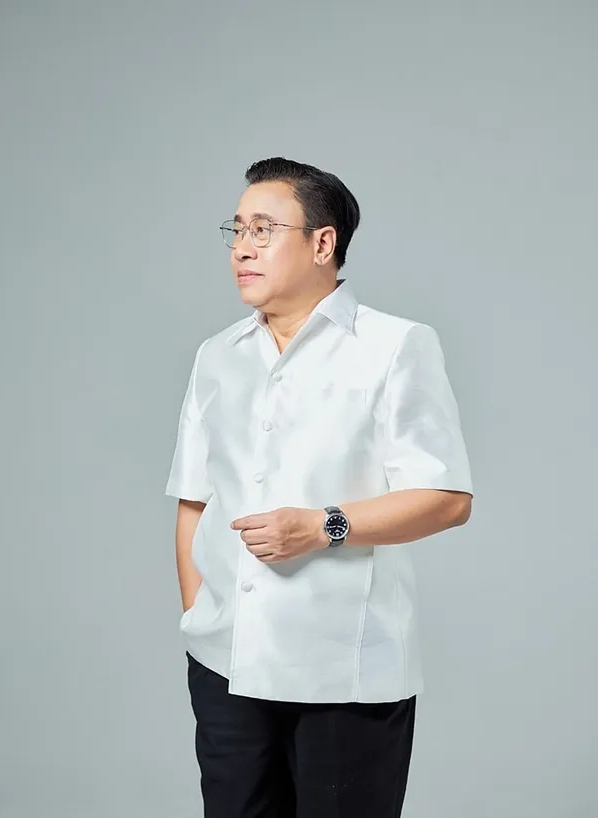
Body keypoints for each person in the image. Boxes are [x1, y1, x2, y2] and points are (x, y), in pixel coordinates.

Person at [164, 156, 474, 818]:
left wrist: (322, 526)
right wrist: (199, 618)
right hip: (225, 665)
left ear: (322, 242)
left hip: (345, 671)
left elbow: (447, 498)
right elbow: (194, 498)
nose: (242, 248)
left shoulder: (394, 346)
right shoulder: (217, 355)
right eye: (237, 230)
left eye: (263, 229)